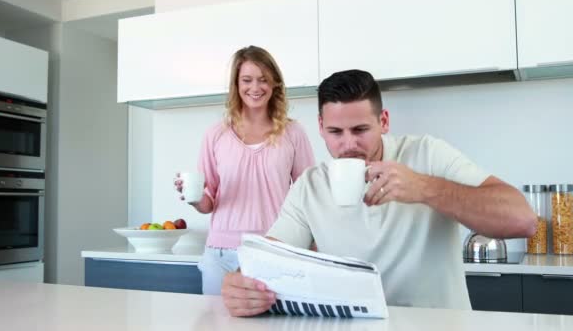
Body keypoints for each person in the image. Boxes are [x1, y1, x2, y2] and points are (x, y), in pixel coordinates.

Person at [221, 69, 537, 316]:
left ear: (383, 121)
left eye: (360, 130)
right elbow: (268, 259)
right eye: (335, 132)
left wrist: (424, 187)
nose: (348, 145)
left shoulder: (427, 154)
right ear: (320, 127)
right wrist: (239, 283)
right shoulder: (310, 186)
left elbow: (522, 220)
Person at [174, 45, 315, 295]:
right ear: (236, 85)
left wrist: (310, 250)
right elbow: (209, 203)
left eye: (263, 80)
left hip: (273, 250)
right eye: (247, 80)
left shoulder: (293, 133)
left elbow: (309, 197)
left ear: (274, 85)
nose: (255, 87)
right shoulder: (216, 134)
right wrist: (193, 198)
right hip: (220, 255)